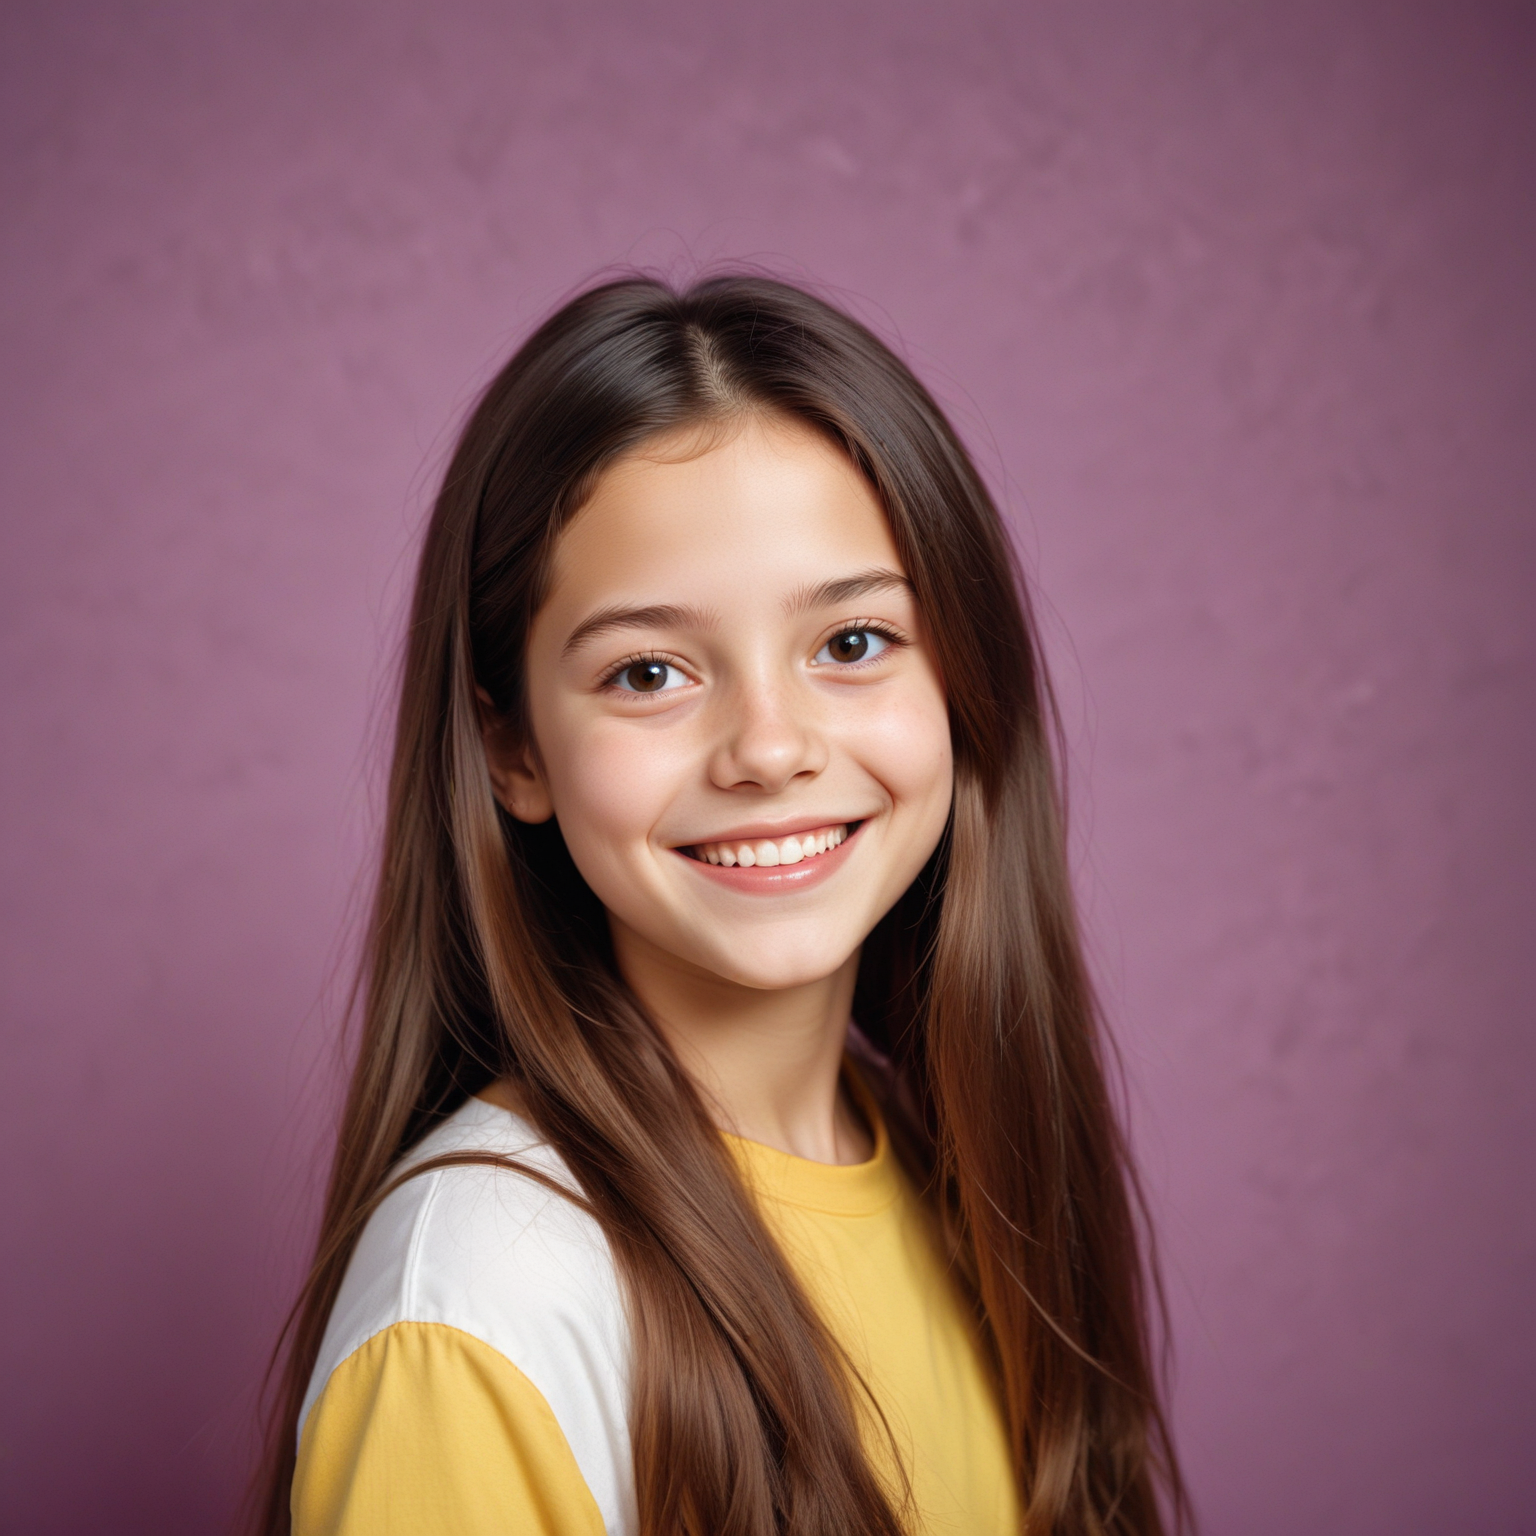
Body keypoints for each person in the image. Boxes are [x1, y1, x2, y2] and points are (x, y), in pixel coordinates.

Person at [253, 274, 1187, 1535]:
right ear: (512, 749)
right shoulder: (481, 1300)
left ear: (964, 683)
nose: (769, 748)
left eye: (851, 644)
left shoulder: (955, 1185)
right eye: (649, 672)